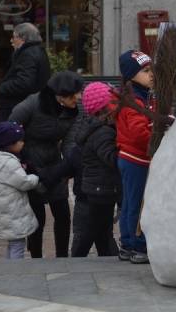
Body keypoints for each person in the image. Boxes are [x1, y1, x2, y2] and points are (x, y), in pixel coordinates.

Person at [9, 70, 83, 258]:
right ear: (61, 94)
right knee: (37, 218)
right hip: (29, 162)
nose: (79, 97)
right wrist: (23, 163)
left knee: (63, 214)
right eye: (75, 94)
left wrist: (67, 167)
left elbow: (70, 141)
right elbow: (10, 131)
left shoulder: (74, 110)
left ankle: (61, 257)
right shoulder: (31, 105)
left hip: (53, 162)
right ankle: (36, 258)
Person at [72, 82, 121, 257]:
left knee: (101, 230)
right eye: (114, 102)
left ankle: (107, 257)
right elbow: (111, 158)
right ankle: (77, 259)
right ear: (104, 108)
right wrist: (124, 150)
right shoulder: (104, 132)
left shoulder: (95, 127)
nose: (117, 105)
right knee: (93, 229)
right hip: (102, 188)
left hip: (98, 187)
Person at [0, 122, 39, 259]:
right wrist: (35, 177)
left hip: (3, 210)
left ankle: (8, 267)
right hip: (13, 212)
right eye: (20, 140)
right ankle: (15, 272)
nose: (23, 143)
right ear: (9, 144)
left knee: (13, 243)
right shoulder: (9, 163)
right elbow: (24, 183)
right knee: (17, 244)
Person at [116, 50, 155, 264]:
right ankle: (138, 246)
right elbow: (140, 134)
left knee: (130, 202)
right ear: (131, 75)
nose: (152, 75)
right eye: (146, 71)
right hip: (135, 159)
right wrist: (157, 134)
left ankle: (127, 244)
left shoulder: (144, 96)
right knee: (138, 204)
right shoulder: (134, 101)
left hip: (134, 158)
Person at [0, 23, 51, 121]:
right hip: (29, 106)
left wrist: (3, 87)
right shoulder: (37, 50)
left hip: (19, 107)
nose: (11, 40)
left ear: (23, 38)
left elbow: (24, 83)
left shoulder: (28, 54)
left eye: (14, 37)